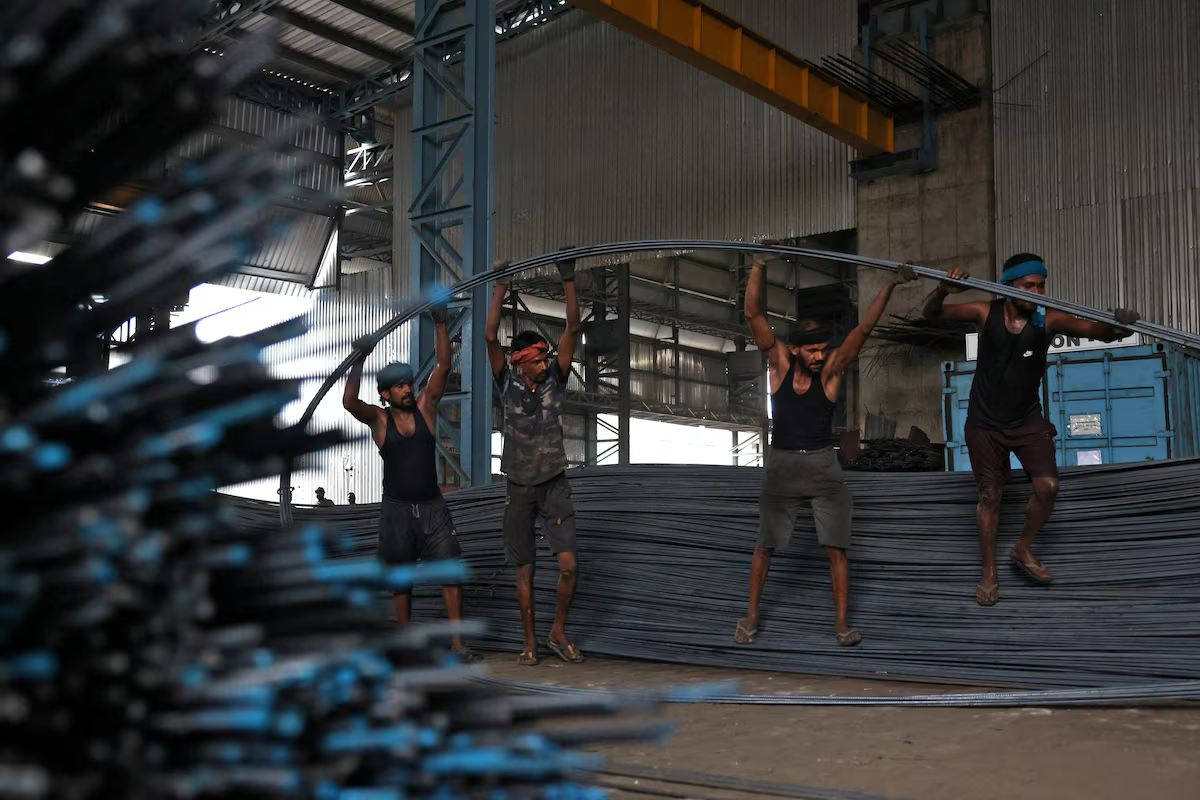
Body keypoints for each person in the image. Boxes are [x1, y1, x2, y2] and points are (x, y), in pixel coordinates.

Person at [922, 253, 1139, 605]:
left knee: (1048, 486)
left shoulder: (1048, 319)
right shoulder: (984, 312)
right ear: (1007, 286)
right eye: (1028, 286)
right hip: (984, 424)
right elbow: (931, 314)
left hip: (1026, 420)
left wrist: (1120, 327)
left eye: (1041, 286)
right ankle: (989, 571)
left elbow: (1096, 331)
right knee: (990, 497)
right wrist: (943, 289)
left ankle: (1022, 549)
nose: (1036, 292)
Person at [736, 256, 918, 647]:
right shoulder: (779, 364)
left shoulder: (832, 371)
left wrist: (890, 284)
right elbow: (752, 313)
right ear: (795, 349)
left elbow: (864, 329)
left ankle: (841, 623)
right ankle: (750, 616)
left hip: (822, 464)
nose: (819, 357)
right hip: (783, 465)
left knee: (836, 548)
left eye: (823, 350)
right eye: (812, 351)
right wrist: (758, 265)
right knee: (765, 544)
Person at [342, 307, 479, 661]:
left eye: (407, 384)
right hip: (397, 512)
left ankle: (457, 644)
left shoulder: (425, 409)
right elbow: (349, 402)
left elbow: (443, 367)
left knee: (451, 572)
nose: (407, 389)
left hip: (433, 509)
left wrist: (440, 323)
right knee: (400, 581)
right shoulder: (379, 419)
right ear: (385, 394)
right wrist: (360, 358)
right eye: (399, 386)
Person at [484, 254, 582, 666]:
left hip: (554, 483)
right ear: (521, 363)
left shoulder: (556, 380)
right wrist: (501, 285)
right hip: (519, 487)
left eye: (545, 359)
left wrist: (568, 279)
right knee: (523, 568)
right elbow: (490, 336)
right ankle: (530, 641)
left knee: (568, 565)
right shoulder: (506, 384)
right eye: (537, 360)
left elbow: (573, 328)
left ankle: (557, 631)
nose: (544, 364)